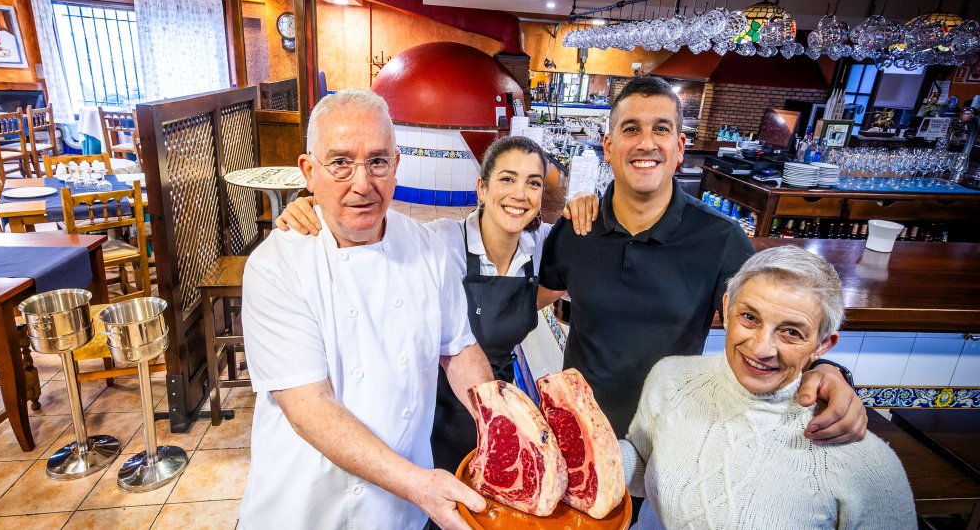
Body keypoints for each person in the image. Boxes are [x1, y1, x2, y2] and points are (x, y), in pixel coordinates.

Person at [538, 76, 866, 442]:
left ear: (679, 147)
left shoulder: (720, 239)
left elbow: (776, 323)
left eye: (660, 129)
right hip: (578, 429)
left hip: (666, 436)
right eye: (631, 129)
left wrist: (827, 370)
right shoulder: (577, 227)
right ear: (609, 146)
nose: (646, 143)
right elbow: (527, 301)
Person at [239, 89, 494, 530]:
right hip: (306, 509)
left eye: (377, 161)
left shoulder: (428, 248)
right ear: (309, 171)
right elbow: (310, 407)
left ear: (396, 166)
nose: (362, 184)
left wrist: (499, 422)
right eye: (340, 162)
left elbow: (458, 349)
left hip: (402, 511)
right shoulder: (276, 266)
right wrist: (418, 484)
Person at [276, 135, 599, 474]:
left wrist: (584, 207)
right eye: (507, 179)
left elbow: (586, 272)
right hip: (432, 406)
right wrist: (316, 210)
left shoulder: (542, 245)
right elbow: (368, 244)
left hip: (497, 402)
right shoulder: (441, 241)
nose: (520, 193)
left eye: (533, 183)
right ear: (482, 189)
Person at [620, 246, 916, 528]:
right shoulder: (670, 377)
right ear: (727, 307)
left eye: (791, 332)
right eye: (749, 317)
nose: (761, 349)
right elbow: (643, 466)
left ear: (823, 344)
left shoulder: (870, 467)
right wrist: (593, 453)